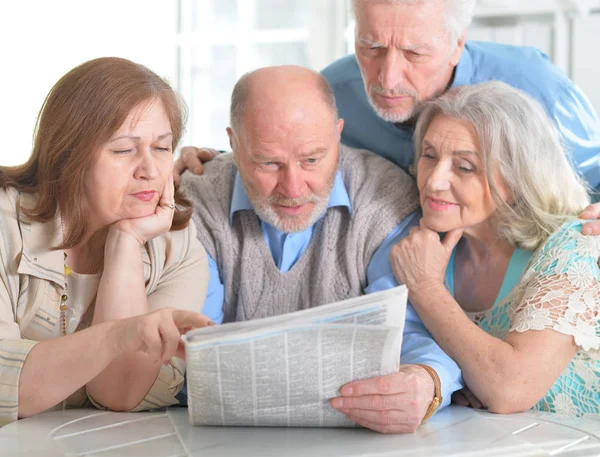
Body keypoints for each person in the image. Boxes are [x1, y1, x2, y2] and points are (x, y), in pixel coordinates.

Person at [180, 65, 463, 434]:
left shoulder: (386, 199)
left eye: (312, 159)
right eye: (269, 162)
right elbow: (195, 353)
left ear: (338, 134)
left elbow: (410, 334)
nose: (293, 188)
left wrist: (427, 382)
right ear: (233, 143)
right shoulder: (195, 200)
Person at [174, 0, 600, 232]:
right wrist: (218, 163)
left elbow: (592, 183)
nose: (387, 77)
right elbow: (281, 153)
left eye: (414, 53)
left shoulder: (536, 84)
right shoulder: (335, 91)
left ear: (456, 44)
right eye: (371, 47)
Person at [0, 57, 212, 427]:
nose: (149, 169)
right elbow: (8, 388)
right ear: (70, 155)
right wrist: (117, 336)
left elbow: (120, 393)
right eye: (123, 150)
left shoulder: (178, 245)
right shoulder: (6, 224)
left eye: (162, 148)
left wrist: (126, 243)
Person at [389, 81, 600, 417]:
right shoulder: (427, 248)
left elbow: (510, 389)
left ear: (517, 180)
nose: (433, 181)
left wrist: (425, 288)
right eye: (429, 156)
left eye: (464, 166)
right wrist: (459, 380)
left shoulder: (572, 247)